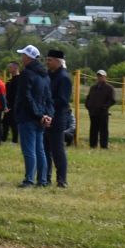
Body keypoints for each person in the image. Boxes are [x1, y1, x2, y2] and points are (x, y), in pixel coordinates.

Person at [10, 45, 52, 187]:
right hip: (41, 117)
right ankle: (43, 180)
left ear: (28, 57)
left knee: (29, 150)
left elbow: (26, 97)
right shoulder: (45, 75)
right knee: (40, 150)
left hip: (28, 117)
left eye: (23, 55)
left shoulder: (26, 74)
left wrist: (38, 114)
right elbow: (48, 98)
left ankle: (29, 180)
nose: (21, 58)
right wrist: (46, 115)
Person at [45, 49, 73, 187]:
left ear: (58, 61)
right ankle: (46, 178)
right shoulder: (49, 75)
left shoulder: (64, 78)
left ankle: (62, 180)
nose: (47, 62)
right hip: (45, 117)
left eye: (50, 60)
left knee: (57, 151)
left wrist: (46, 101)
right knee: (45, 150)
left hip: (57, 119)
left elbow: (62, 100)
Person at [84, 68, 117, 150]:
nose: (99, 78)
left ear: (105, 77)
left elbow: (112, 100)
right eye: (98, 76)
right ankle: (92, 145)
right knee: (93, 130)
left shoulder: (109, 88)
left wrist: (104, 107)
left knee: (103, 130)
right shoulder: (93, 88)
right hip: (93, 113)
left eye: (101, 76)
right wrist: (88, 106)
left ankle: (104, 146)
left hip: (103, 113)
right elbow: (88, 98)